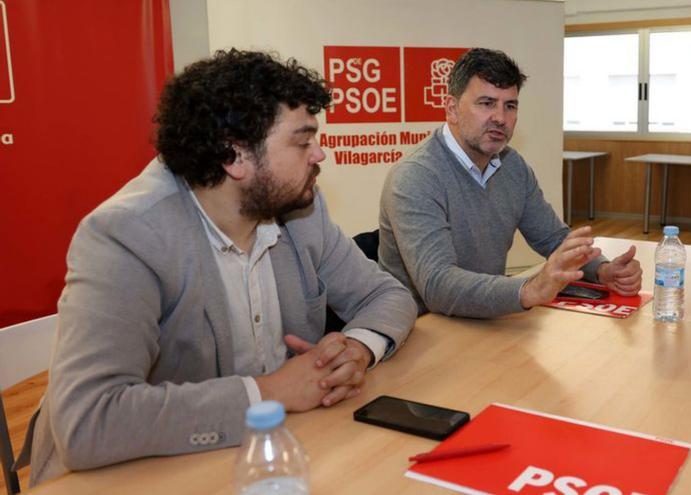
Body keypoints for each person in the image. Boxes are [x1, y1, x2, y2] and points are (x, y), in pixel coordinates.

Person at [23, 49, 417, 485]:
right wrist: (271, 393)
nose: (319, 154)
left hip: (268, 457)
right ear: (235, 157)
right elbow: (88, 421)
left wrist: (357, 349)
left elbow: (387, 295)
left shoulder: (300, 211)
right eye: (303, 142)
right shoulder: (127, 235)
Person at [379, 48, 641, 318]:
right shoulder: (416, 176)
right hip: (421, 331)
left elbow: (552, 237)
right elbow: (438, 286)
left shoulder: (511, 165)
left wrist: (601, 269)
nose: (500, 118)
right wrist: (528, 290)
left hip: (485, 321)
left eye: (510, 106)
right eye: (486, 103)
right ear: (452, 109)